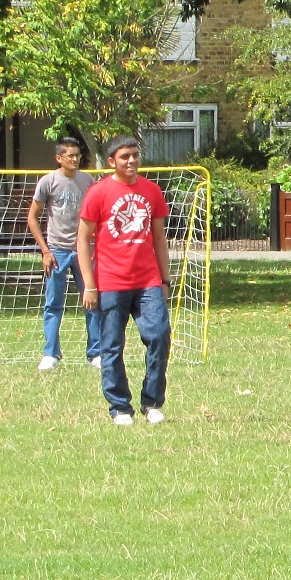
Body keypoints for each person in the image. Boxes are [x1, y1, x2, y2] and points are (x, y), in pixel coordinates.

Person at [77, 135, 172, 426]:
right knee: (111, 345)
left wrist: (164, 279)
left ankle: (152, 402)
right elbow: (82, 241)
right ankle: (119, 407)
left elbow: (158, 237)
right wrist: (90, 286)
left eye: (134, 155)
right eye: (124, 157)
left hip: (147, 281)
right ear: (111, 161)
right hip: (110, 282)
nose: (131, 161)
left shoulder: (151, 191)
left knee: (159, 336)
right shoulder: (98, 192)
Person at [28, 134, 100, 370]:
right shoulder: (48, 181)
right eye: (70, 156)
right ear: (59, 158)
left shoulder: (88, 181)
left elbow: (96, 215)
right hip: (57, 250)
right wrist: (45, 251)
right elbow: (32, 217)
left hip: (83, 249)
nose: (75, 160)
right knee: (53, 303)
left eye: (77, 155)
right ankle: (51, 353)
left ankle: (95, 353)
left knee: (91, 300)